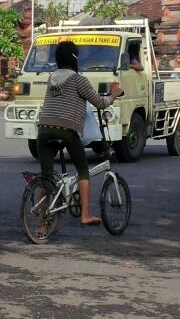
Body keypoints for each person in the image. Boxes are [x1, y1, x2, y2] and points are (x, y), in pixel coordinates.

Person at [36, 40, 123, 232]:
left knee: (46, 177)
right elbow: (100, 103)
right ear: (75, 58)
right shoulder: (79, 80)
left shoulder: (52, 79)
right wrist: (115, 93)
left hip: (43, 129)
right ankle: (85, 215)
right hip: (66, 130)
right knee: (83, 170)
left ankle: (42, 224)